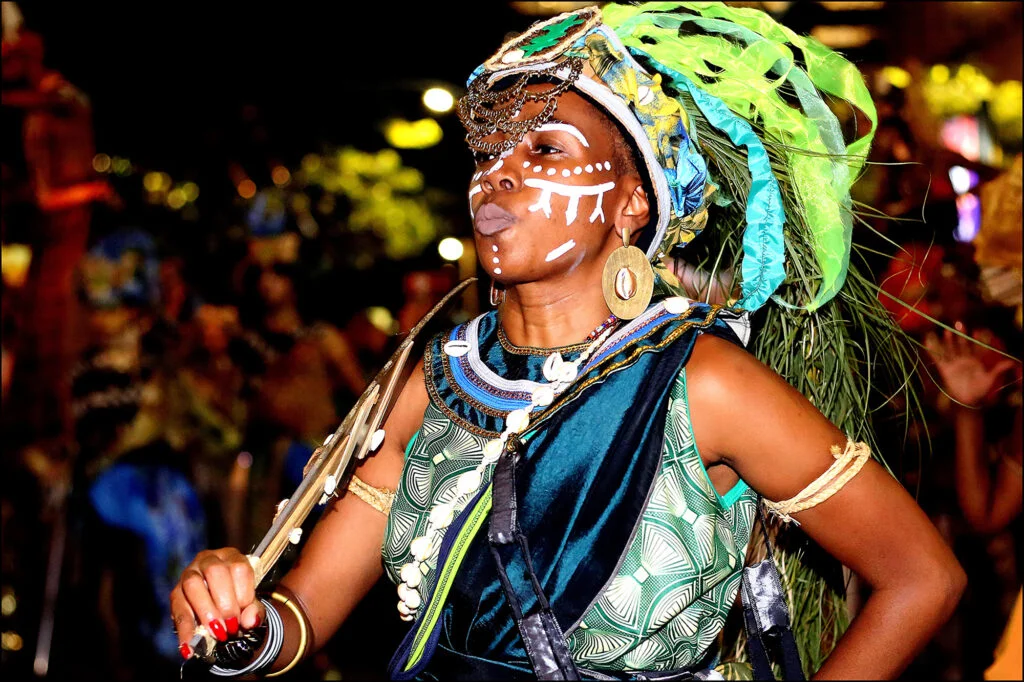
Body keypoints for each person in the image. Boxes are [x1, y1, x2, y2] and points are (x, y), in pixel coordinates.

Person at [170, 5, 964, 679]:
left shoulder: (705, 382)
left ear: (631, 207)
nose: (498, 176)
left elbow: (921, 577)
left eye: (544, 150)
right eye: (488, 154)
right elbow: (300, 621)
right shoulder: (436, 380)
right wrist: (234, 612)